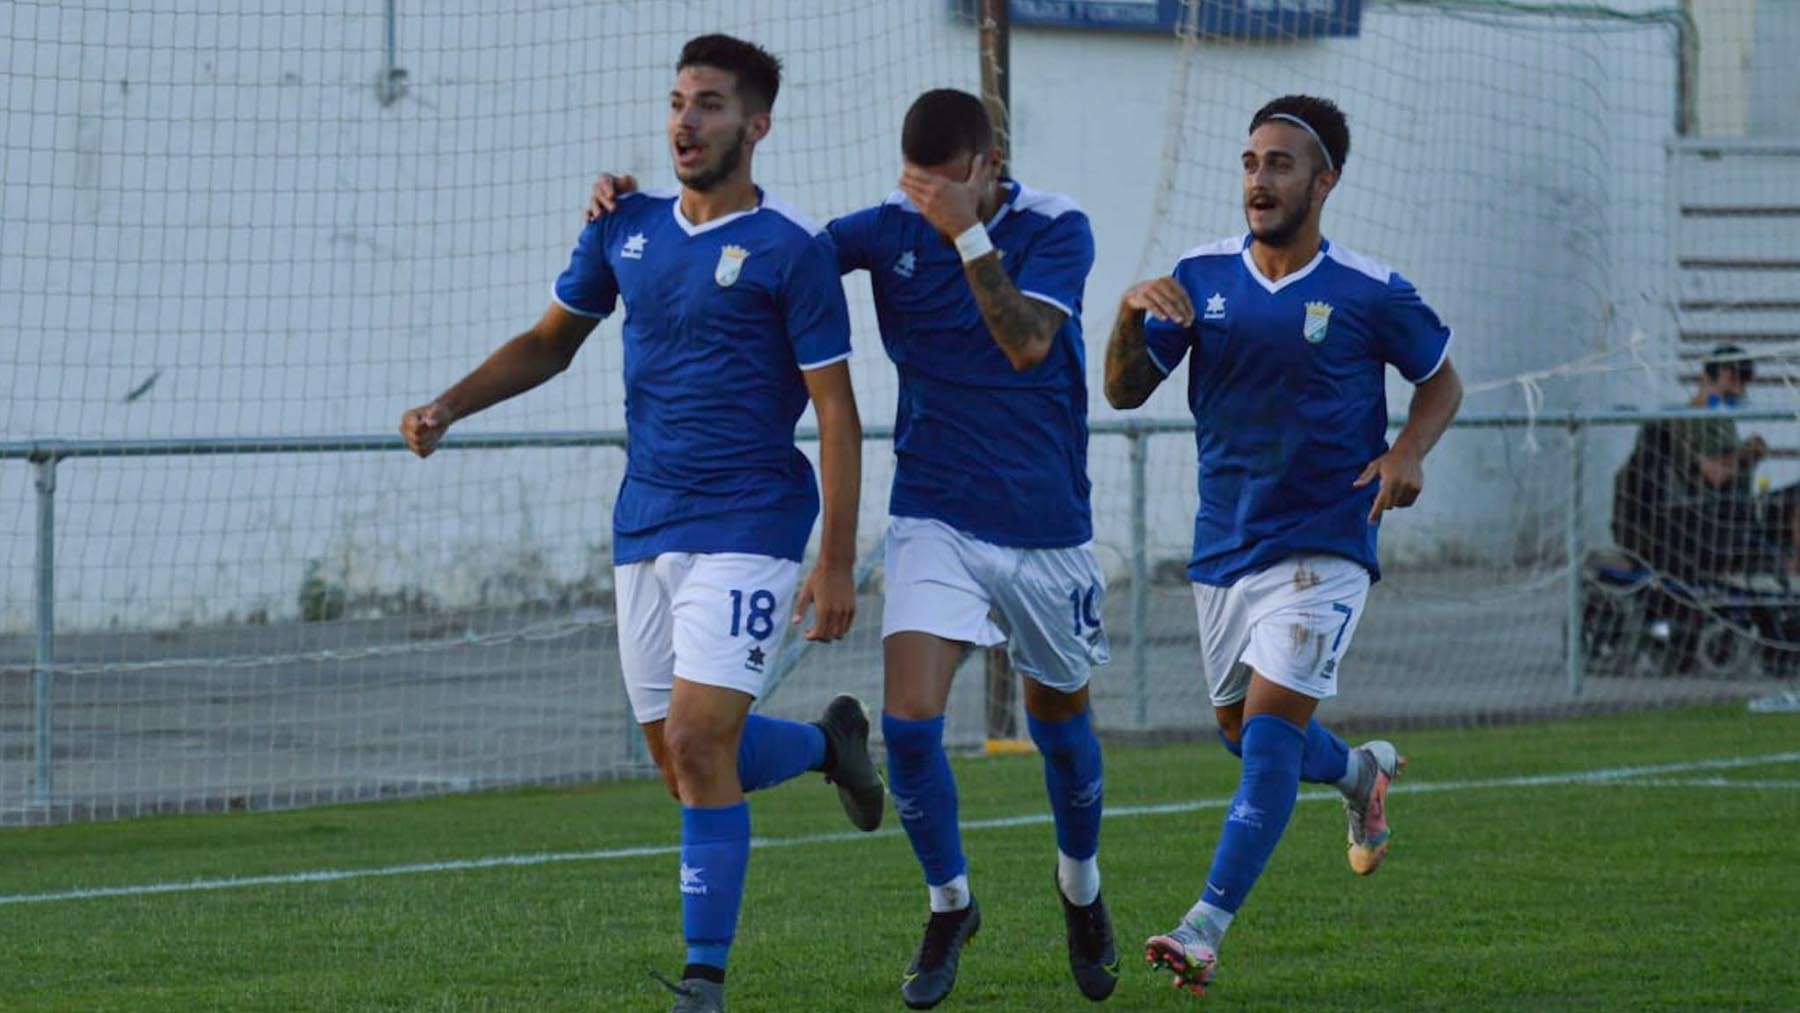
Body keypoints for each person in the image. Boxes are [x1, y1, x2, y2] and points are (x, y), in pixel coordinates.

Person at [588, 86, 1115, 1010]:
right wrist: (651, 212)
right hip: (933, 518)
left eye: (943, 189)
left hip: (1046, 529)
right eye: (914, 191)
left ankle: (1081, 888)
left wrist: (967, 235)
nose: (924, 207)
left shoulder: (1057, 227)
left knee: (1061, 730)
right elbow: (769, 254)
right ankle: (949, 904)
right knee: (909, 726)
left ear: (990, 165)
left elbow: (1028, 343)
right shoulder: (887, 230)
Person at [401, 35, 884, 1013]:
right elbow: (549, 342)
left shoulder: (792, 250)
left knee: (704, 740)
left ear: (756, 124)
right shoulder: (624, 226)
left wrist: (835, 562)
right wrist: (448, 405)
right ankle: (829, 746)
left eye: (708, 103)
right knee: (683, 762)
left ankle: (703, 979)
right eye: (676, 101)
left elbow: (836, 409)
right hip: (645, 526)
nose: (685, 120)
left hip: (750, 523)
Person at [1103, 95, 1463, 996]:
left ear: (1324, 181)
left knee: (1264, 737)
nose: (1260, 179)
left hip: (1328, 539)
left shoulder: (1370, 290)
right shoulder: (1201, 275)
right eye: (1251, 162)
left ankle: (1203, 927)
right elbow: (1123, 392)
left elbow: (1442, 379)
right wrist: (1124, 313)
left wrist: (1406, 451)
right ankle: (1359, 772)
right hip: (1226, 546)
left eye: (1281, 164)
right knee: (1236, 729)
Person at [1613, 344, 1799, 577]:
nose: (1741, 386)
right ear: (1714, 375)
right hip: (1708, 520)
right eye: (1735, 376)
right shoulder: (1688, 419)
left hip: (1737, 513)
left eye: (1744, 378)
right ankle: (1789, 571)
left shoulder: (1722, 420)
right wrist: (1749, 453)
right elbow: (1714, 474)